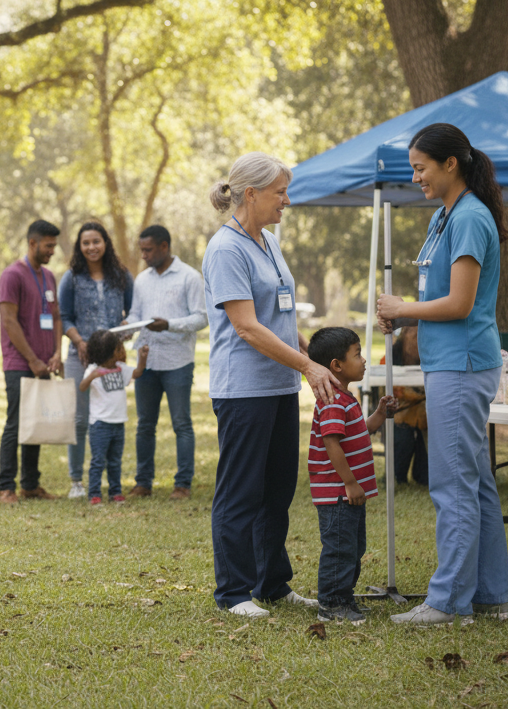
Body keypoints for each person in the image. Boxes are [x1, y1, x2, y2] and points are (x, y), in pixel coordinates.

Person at [377, 122, 508, 625]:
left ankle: (450, 603)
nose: (415, 177)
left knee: (452, 486)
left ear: (450, 163)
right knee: (474, 484)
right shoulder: (443, 217)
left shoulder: (470, 217)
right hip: (447, 362)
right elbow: (441, 298)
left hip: (463, 363)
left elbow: (459, 304)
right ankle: (491, 597)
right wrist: (404, 313)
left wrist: (404, 304)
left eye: (420, 167)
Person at [202, 152, 338, 619]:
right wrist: (307, 366)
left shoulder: (270, 242)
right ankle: (233, 593)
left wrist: (312, 359)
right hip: (243, 389)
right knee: (241, 491)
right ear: (252, 193)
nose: (287, 200)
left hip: (280, 386)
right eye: (280, 192)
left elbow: (278, 318)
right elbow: (246, 327)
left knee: (278, 489)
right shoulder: (225, 249)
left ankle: (272, 584)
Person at [306, 327, 395, 624]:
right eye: (357, 354)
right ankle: (331, 604)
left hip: (348, 494)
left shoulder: (346, 397)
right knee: (340, 549)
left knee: (354, 547)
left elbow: (356, 433)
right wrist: (350, 483)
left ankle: (344, 597)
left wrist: (379, 415)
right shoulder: (333, 401)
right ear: (337, 366)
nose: (364, 360)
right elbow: (332, 443)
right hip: (339, 494)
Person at [125, 225, 208, 499]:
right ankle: (143, 483)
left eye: (148, 250)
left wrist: (169, 325)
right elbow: (136, 314)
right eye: (142, 250)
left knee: (181, 424)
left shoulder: (189, 277)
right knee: (145, 425)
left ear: (164, 246)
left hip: (178, 363)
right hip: (146, 362)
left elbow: (201, 317)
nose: (144, 255)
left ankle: (182, 484)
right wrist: (125, 326)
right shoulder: (142, 279)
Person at [58, 221, 134, 499]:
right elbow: (64, 316)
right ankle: (77, 481)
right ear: (80, 247)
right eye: (85, 243)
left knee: (111, 415)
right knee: (79, 418)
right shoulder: (72, 278)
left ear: (106, 243)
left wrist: (127, 325)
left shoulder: (122, 275)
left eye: (96, 241)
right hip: (80, 356)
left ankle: (112, 483)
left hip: (113, 359)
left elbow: (132, 310)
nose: (91, 247)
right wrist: (79, 341)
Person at [0, 220, 65, 504]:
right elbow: (9, 321)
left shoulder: (48, 276)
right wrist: (33, 360)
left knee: (36, 422)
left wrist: (57, 353)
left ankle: (30, 484)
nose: (52, 251)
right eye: (48, 245)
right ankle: (6, 487)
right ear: (33, 243)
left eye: (54, 246)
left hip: (44, 363)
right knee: (16, 423)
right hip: (19, 363)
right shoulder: (12, 275)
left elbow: (57, 316)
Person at [78, 330, 148, 505]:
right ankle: (94, 494)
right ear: (108, 351)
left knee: (115, 461)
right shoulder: (93, 370)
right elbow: (82, 387)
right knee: (98, 461)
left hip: (118, 423)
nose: (121, 351)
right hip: (100, 424)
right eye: (118, 348)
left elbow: (137, 373)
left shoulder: (121, 369)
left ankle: (115, 492)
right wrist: (93, 376)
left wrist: (143, 358)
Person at [390, 325, 428, 486]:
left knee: (425, 477)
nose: (417, 338)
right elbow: (396, 391)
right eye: (413, 333)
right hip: (400, 417)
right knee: (398, 473)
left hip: (424, 419)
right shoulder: (391, 357)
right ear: (404, 334)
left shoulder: (428, 356)